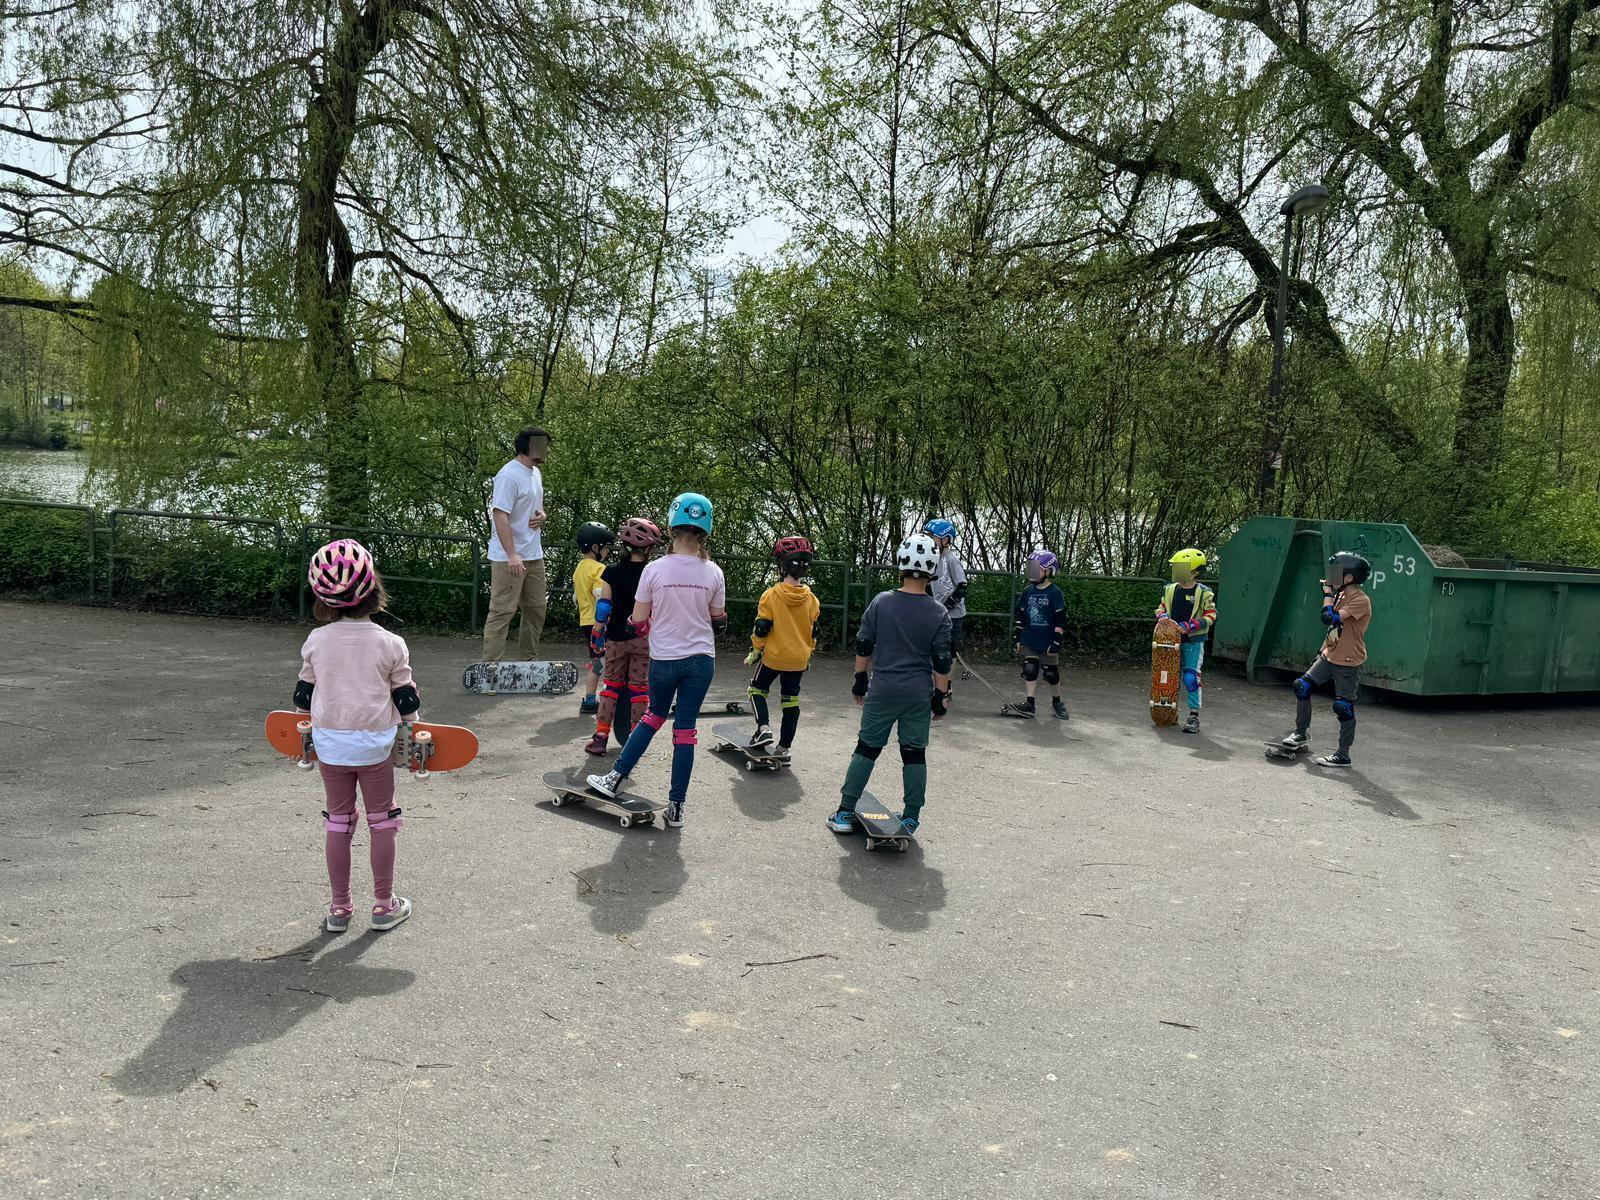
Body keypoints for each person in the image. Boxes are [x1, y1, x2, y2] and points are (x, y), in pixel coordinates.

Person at [296, 539, 418, 933]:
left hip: (330, 743)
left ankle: (339, 908)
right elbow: (405, 698)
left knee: (338, 821)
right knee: (382, 820)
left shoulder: (316, 640)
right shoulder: (390, 643)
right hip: (375, 745)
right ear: (373, 587)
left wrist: (302, 734)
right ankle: (384, 905)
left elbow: (303, 696)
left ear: (323, 598)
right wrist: (413, 733)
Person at [587, 494, 727, 826]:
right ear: (704, 532)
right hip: (701, 661)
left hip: (665, 659)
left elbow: (636, 621)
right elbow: (719, 621)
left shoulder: (654, 569)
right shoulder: (714, 572)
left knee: (653, 717)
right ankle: (676, 808)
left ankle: (615, 778)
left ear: (671, 527)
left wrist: (648, 622)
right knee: (686, 732)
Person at [827, 533, 953, 837]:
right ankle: (910, 818)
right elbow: (942, 662)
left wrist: (860, 681)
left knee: (866, 750)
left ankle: (845, 812)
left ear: (900, 565)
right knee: (914, 754)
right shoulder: (939, 612)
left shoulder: (882, 602)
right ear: (933, 570)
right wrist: (941, 697)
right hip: (917, 695)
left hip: (883, 690)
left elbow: (864, 644)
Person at [1277, 551, 1373, 768]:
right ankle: (1300, 733)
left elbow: (1329, 617)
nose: (1330, 576)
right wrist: (1322, 652)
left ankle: (1343, 754)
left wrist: (1327, 594)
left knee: (1342, 707)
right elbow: (1333, 629)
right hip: (1330, 656)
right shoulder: (1341, 595)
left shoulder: (1360, 600)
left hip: (1349, 660)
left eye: (1336, 573)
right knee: (1302, 686)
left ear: (1349, 578)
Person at [585, 516, 661, 756]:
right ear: (648, 548)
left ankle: (600, 736)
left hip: (616, 639)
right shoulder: (653, 573)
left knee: (611, 687)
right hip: (643, 639)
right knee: (639, 689)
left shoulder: (612, 572)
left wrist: (597, 632)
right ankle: (634, 740)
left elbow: (604, 607)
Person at [745, 535, 822, 760]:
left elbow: (761, 628)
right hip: (798, 659)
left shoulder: (771, 595)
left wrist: (756, 650)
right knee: (791, 700)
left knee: (756, 690)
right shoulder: (812, 600)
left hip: (774, 657)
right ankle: (784, 748)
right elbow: (813, 632)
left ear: (782, 565)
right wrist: (808, 653)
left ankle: (763, 729)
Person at [481, 426, 549, 670]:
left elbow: (537, 508)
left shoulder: (535, 473)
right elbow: (500, 515)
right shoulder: (508, 475)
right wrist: (511, 554)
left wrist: (542, 516)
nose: (548, 450)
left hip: (534, 554)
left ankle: (528, 663)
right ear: (530, 446)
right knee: (502, 611)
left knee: (536, 610)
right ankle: (490, 667)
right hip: (508, 557)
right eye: (544, 445)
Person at [1155, 548, 1218, 734]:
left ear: (1193, 571)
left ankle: (1193, 716)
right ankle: (1167, 711)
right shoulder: (1170, 589)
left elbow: (1212, 615)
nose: (1175, 571)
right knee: (1168, 676)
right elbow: (1159, 608)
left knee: (1190, 677)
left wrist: (1191, 626)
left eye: (1179, 567)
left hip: (1193, 642)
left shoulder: (1203, 592)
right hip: (1169, 641)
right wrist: (1162, 616)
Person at [1003, 550, 1069, 719]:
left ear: (1049, 571)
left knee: (1051, 673)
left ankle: (1057, 702)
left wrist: (1056, 640)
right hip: (1030, 638)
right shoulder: (1028, 592)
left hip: (1047, 640)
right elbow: (1021, 616)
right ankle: (1030, 704)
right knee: (1030, 669)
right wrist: (1017, 637)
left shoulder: (1055, 593)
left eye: (1037, 569)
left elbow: (1060, 619)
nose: (1032, 573)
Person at [573, 522, 614, 714]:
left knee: (597, 661)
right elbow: (600, 594)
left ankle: (590, 699)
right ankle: (604, 698)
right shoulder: (598, 568)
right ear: (596, 547)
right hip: (599, 623)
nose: (607, 552)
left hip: (585, 621)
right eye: (606, 548)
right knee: (607, 661)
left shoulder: (579, 568)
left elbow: (576, 598)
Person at [926, 517, 968, 660]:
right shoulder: (933, 558)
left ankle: (947, 682)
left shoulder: (952, 560)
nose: (929, 541)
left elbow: (962, 587)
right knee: (935, 649)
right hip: (938, 612)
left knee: (949, 650)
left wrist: (946, 605)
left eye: (933, 538)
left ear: (946, 540)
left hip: (954, 614)